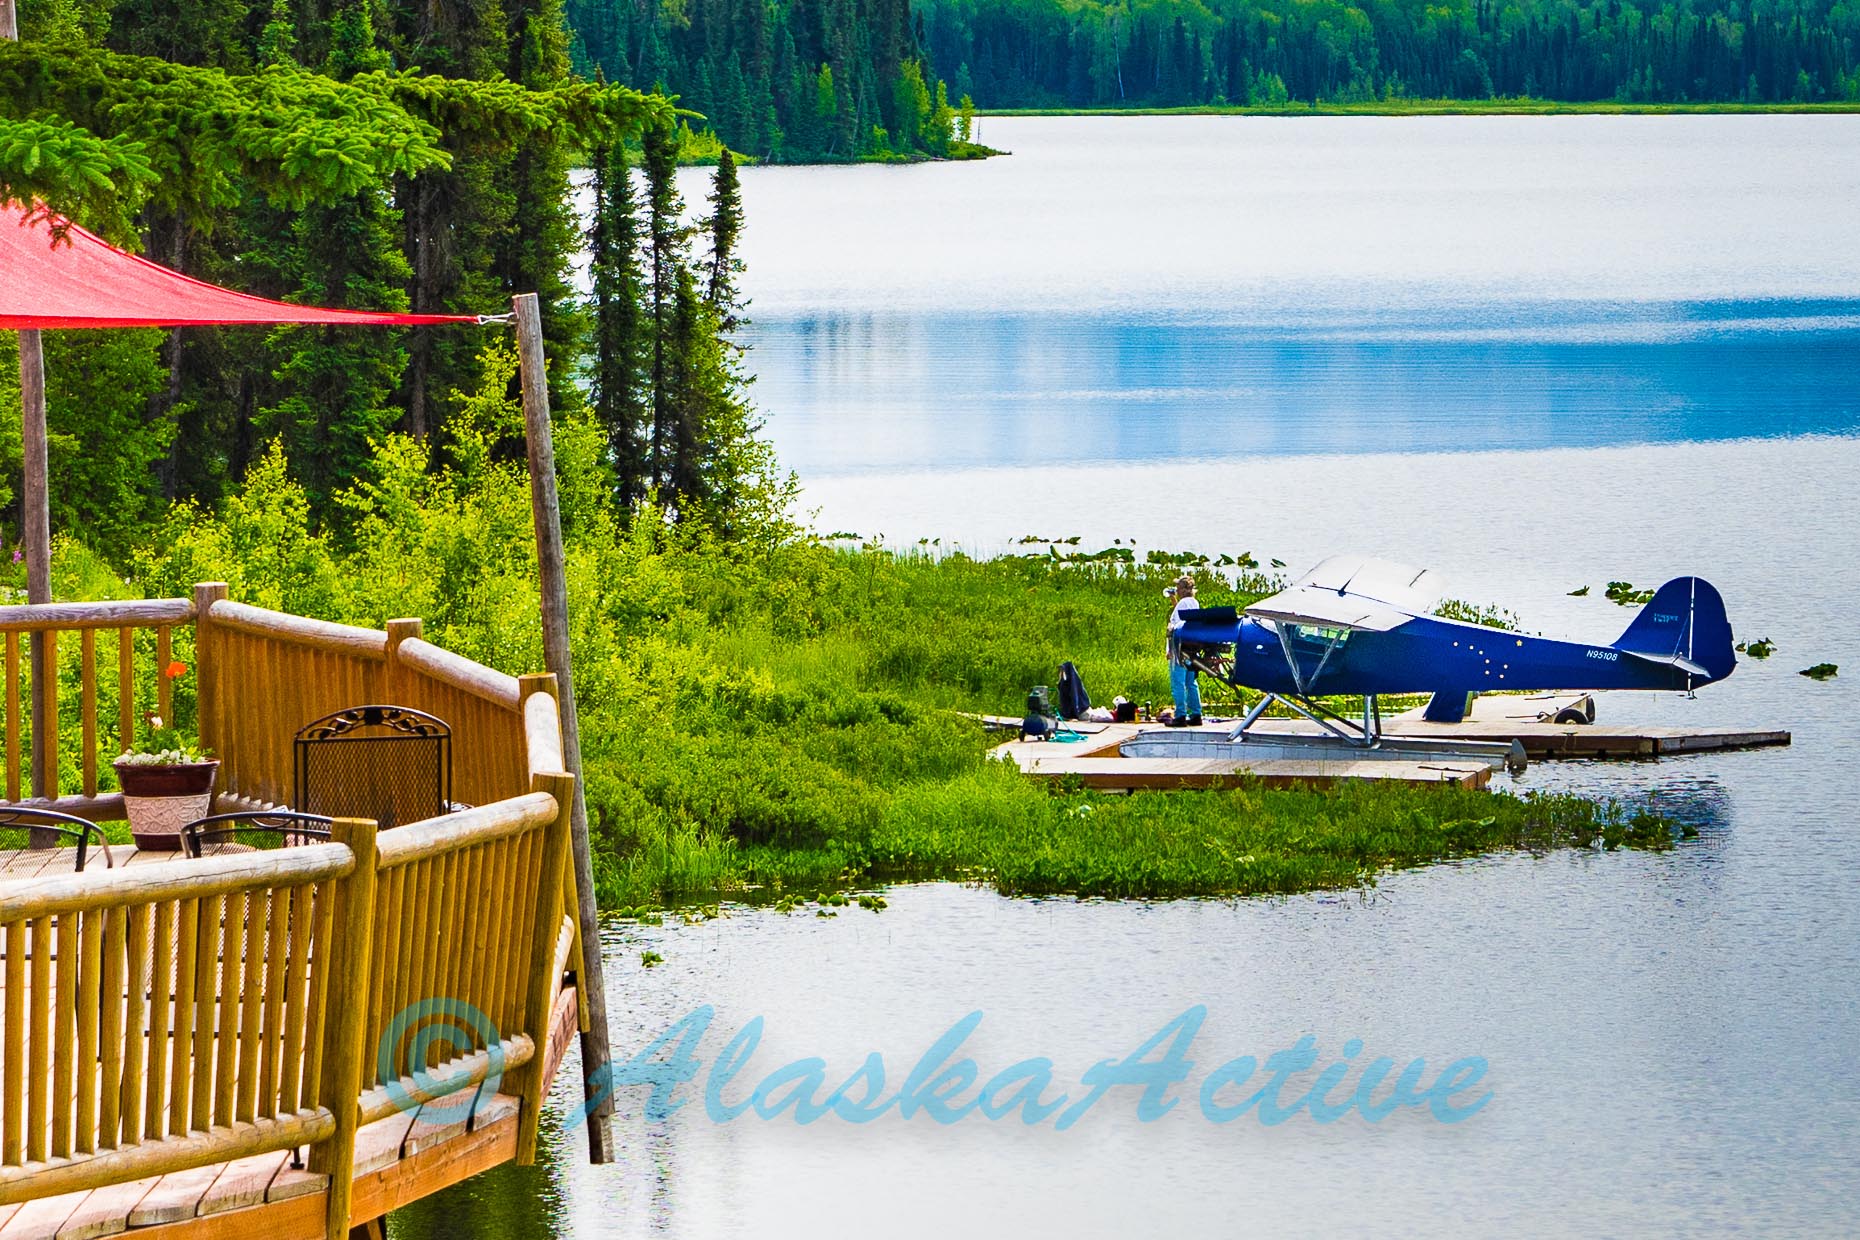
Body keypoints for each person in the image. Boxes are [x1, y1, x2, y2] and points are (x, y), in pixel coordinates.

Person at [1164, 574, 1204, 727]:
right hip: (1192, 649)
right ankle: (1196, 714)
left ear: (1181, 589)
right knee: (1191, 682)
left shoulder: (1183, 604)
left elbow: (1177, 627)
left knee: (1178, 683)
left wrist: (1170, 649)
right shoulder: (1194, 602)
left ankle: (1180, 715)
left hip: (1179, 648)